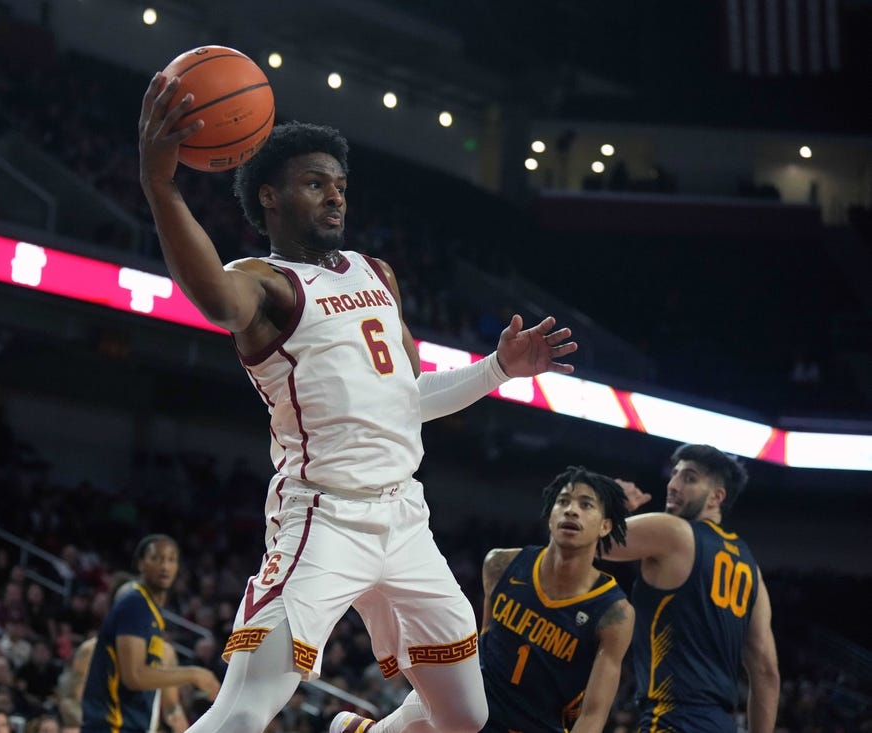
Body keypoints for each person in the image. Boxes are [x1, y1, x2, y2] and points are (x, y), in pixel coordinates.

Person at [138, 74, 577, 733]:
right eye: (315, 182)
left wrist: (497, 369)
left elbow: (404, 400)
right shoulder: (266, 285)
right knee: (245, 706)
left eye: (339, 183)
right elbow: (212, 299)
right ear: (271, 196)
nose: (335, 193)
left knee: (465, 713)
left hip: (401, 515)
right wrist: (160, 184)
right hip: (323, 516)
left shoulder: (377, 274)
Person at [609, 444, 780, 732]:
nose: (673, 485)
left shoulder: (673, 531)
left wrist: (611, 501)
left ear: (716, 497)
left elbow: (583, 541)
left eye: (689, 478)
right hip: (722, 724)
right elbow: (766, 671)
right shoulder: (752, 569)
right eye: (673, 475)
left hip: (670, 719)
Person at [478, 466, 633, 733]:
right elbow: (483, 647)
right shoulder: (500, 564)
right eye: (563, 502)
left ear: (605, 526)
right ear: (550, 517)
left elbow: (593, 716)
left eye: (586, 505)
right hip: (474, 719)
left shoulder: (614, 613)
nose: (571, 510)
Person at [80, 535, 219, 733]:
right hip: (111, 726)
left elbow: (166, 698)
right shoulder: (134, 603)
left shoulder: (151, 613)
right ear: (141, 564)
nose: (165, 566)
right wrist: (194, 674)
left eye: (171, 560)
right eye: (157, 558)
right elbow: (134, 676)